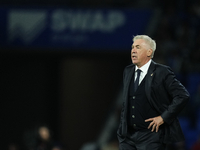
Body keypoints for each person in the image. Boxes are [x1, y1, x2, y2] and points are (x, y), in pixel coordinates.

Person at [117, 35, 190, 150]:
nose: (133, 51)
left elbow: (182, 95)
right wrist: (121, 130)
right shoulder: (128, 71)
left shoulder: (162, 72)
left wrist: (163, 117)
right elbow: (127, 102)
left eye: (138, 47)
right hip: (127, 137)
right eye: (132, 47)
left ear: (149, 52)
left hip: (151, 136)